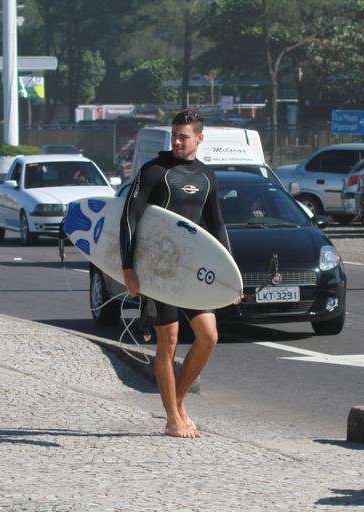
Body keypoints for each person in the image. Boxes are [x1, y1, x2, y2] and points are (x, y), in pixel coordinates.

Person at [120, 110, 231, 439]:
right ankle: (172, 418)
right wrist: (129, 269)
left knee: (208, 336)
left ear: (199, 137)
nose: (177, 141)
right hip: (158, 269)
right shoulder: (153, 171)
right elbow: (129, 219)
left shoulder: (207, 177)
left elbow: (217, 225)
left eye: (184, 136)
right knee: (168, 341)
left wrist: (229, 273)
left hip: (192, 271)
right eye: (174, 135)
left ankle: (178, 403)